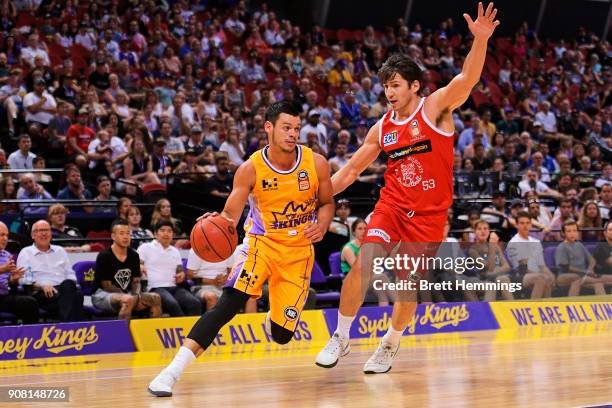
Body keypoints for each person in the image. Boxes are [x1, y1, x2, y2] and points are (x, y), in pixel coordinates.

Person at [316, 3, 501, 374]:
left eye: (395, 85)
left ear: (415, 86)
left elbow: (467, 78)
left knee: (407, 285)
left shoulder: (434, 108)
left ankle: (391, 342)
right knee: (364, 263)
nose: (389, 92)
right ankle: (341, 335)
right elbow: (351, 170)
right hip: (393, 206)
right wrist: (316, 198)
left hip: (430, 216)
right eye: (385, 86)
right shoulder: (382, 127)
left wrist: (480, 41)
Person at [148, 100, 334, 396]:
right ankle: (170, 373)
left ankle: (273, 316)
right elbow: (230, 216)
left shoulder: (317, 163)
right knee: (228, 304)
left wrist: (322, 224)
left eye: (297, 128)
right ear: (269, 128)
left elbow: (326, 203)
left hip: (298, 252)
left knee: (283, 335)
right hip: (262, 245)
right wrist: (216, 222)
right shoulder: (250, 169)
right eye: (286, 127)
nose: (293, 134)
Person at [93, 220, 161, 320]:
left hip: (128, 294)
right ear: (113, 236)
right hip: (102, 295)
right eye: (121, 233)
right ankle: (122, 334)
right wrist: (132, 298)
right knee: (128, 300)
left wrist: (136, 295)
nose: (126, 237)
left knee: (155, 298)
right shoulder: (104, 255)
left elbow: (136, 282)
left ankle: (153, 333)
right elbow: (107, 286)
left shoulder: (134, 255)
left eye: (128, 233)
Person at [17, 220, 83, 322]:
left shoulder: (60, 251)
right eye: (40, 230)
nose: (44, 233)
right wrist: (42, 286)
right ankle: (71, 330)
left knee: (71, 289)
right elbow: (22, 279)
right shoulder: (26, 252)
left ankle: (66, 326)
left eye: (47, 230)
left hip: (62, 289)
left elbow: (70, 274)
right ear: (33, 235)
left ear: (51, 233)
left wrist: (67, 285)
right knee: (76, 297)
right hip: (42, 293)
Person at [138, 220, 201, 317]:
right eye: (162, 230)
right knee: (172, 304)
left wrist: (181, 275)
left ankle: (194, 330)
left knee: (194, 303)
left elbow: (180, 272)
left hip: (173, 287)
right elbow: (138, 264)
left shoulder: (175, 251)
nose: (166, 233)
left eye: (169, 231)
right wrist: (141, 266)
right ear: (155, 233)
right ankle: (182, 329)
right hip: (155, 287)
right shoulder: (145, 247)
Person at [342, 218, 395, 306]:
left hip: (367, 280)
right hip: (352, 283)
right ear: (354, 232)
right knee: (382, 277)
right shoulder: (348, 249)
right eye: (360, 229)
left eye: (365, 229)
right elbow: (359, 269)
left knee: (381, 290)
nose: (363, 231)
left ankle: (383, 316)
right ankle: (400, 304)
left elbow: (374, 267)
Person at [506, 212, 554, 299]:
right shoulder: (513, 242)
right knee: (541, 278)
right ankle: (533, 308)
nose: (525, 226)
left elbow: (542, 266)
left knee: (548, 278)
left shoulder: (536, 242)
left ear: (531, 225)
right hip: (519, 276)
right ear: (516, 225)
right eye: (522, 223)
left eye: (528, 223)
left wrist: (550, 275)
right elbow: (522, 268)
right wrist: (541, 275)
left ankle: (546, 307)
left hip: (536, 274)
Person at [0, 221, 38, 324]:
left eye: (7, 235)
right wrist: (2, 269)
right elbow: (3, 270)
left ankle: (30, 337)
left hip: (3, 297)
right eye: (1, 235)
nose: (5, 239)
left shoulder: (7, 255)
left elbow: (8, 283)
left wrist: (13, 279)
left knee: (29, 302)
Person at [555, 220, 606, 296]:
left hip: (583, 275)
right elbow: (566, 267)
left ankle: (603, 306)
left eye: (574, 231)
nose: (572, 233)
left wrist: (590, 269)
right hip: (565, 276)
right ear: (563, 233)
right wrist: (585, 272)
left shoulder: (579, 245)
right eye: (569, 231)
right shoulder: (561, 247)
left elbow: (592, 260)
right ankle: (571, 306)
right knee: (576, 278)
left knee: (598, 283)